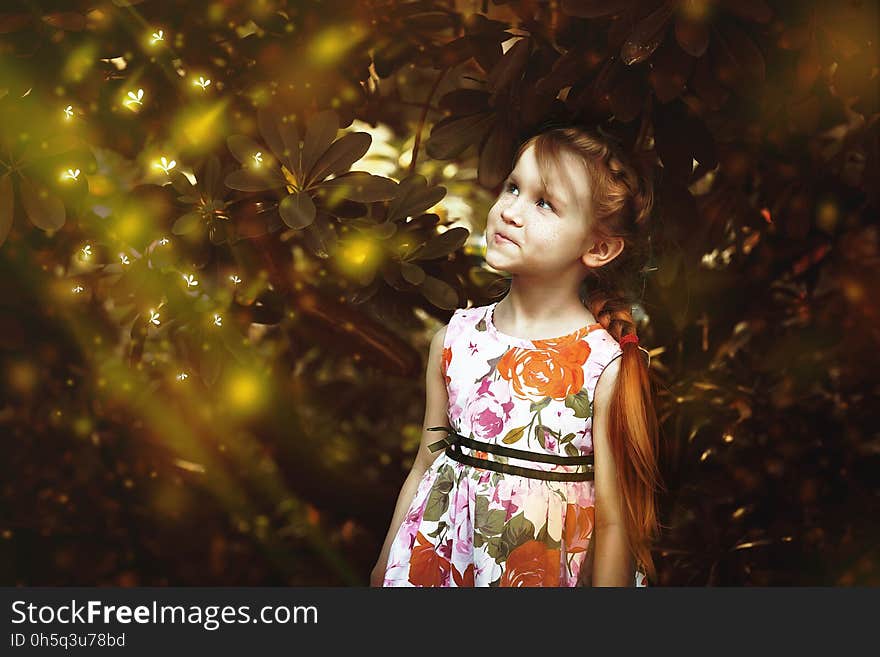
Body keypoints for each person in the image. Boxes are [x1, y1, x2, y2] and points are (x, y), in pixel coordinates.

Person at [370, 123, 665, 587]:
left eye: (544, 202)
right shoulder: (454, 339)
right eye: (512, 187)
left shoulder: (604, 366)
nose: (510, 211)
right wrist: (384, 566)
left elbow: (614, 522)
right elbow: (427, 465)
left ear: (599, 247)